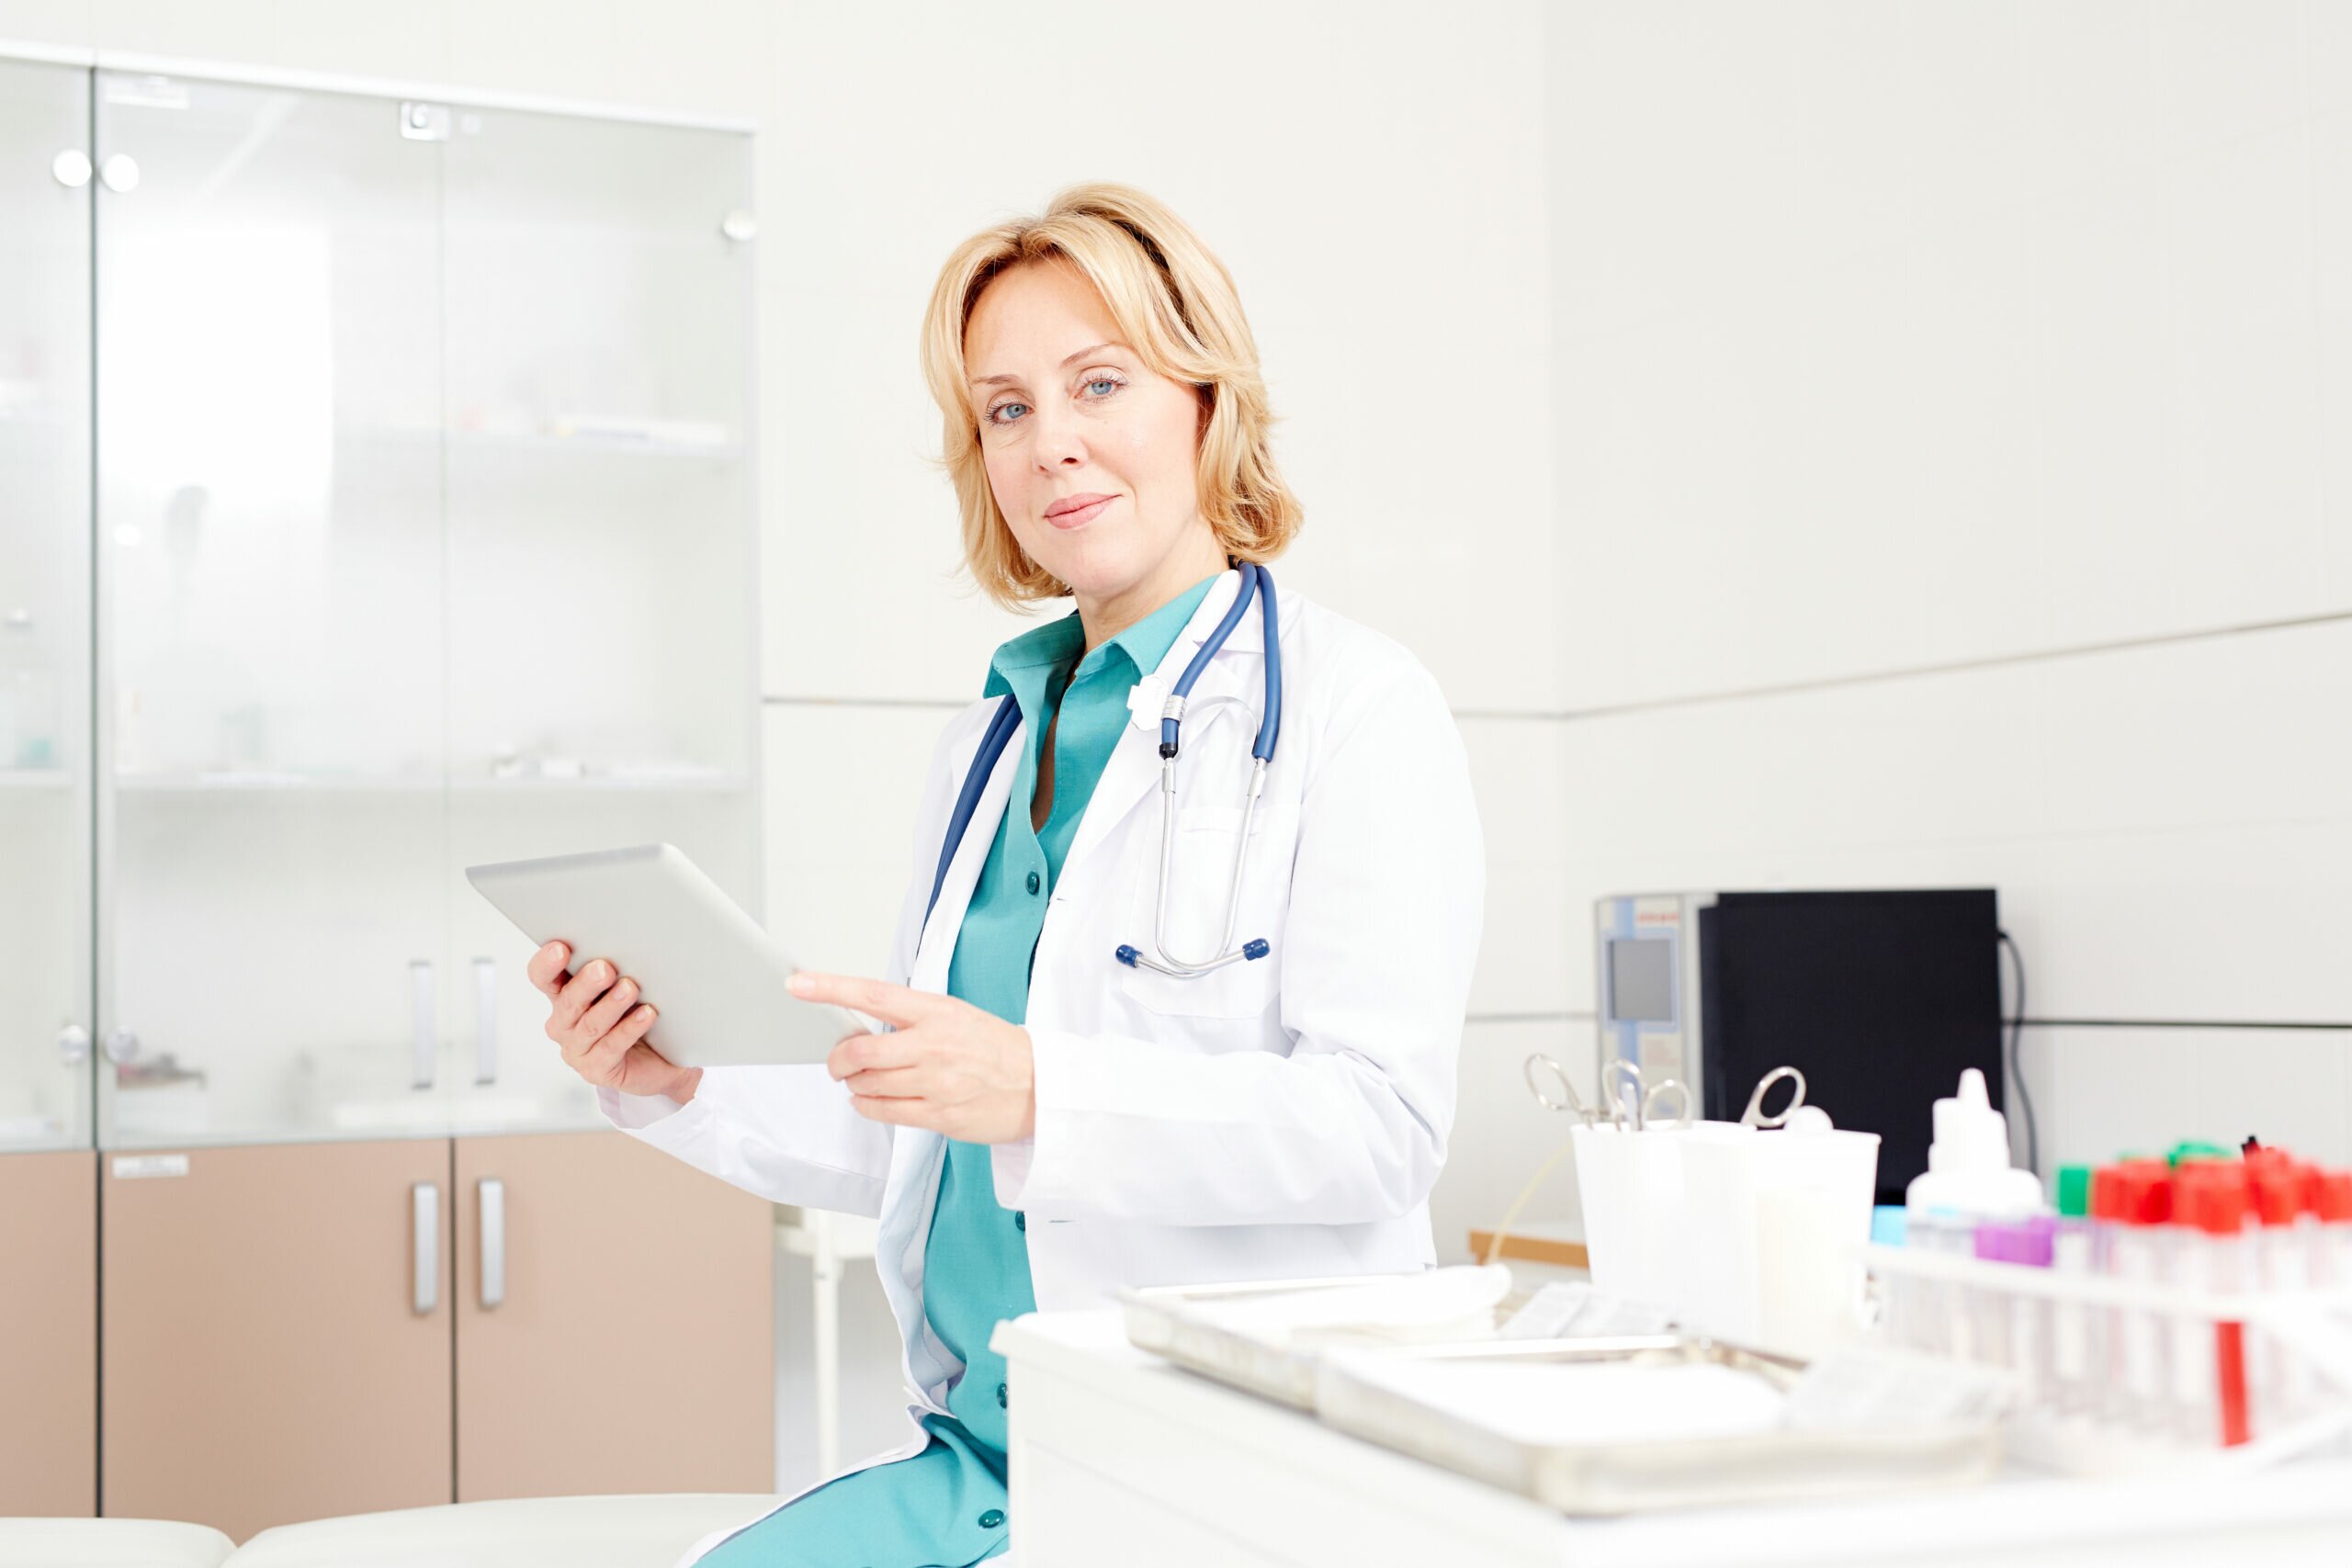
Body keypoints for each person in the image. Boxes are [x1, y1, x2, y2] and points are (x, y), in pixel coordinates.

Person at [532, 181, 1484, 1566]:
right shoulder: (994, 736)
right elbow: (933, 1128)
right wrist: (675, 1083)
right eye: (1007, 410)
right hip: (992, 1452)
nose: (1053, 447)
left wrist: (1042, 1088)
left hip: (1224, 1462)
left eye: (1100, 383)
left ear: (1207, 403)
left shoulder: (1357, 707)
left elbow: (1380, 1126)